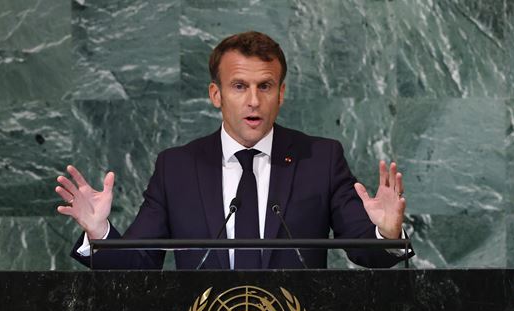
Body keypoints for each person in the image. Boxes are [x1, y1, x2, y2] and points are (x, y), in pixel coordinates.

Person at [56, 31, 412, 269]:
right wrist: (100, 232)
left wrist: (386, 233)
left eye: (265, 86)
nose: (254, 101)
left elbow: (365, 249)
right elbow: (137, 264)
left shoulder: (319, 159)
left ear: (281, 94)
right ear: (216, 95)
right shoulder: (177, 168)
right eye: (239, 86)